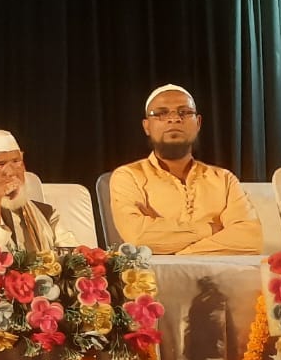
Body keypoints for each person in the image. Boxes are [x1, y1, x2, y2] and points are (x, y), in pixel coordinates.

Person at [109, 84, 261, 255]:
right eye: (161, 113)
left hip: (221, 272)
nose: (174, 119)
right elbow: (137, 236)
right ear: (146, 126)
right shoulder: (128, 176)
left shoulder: (224, 179)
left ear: (198, 123)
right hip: (153, 273)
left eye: (184, 112)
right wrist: (209, 230)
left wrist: (180, 256)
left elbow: (250, 239)